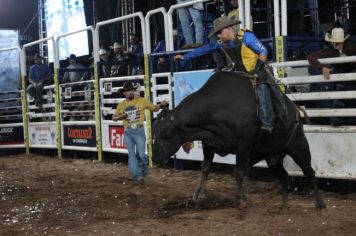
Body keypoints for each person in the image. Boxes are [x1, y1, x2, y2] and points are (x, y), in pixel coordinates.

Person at [174, 16, 287, 133]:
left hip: (257, 71)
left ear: (228, 28)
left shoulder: (247, 37)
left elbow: (263, 51)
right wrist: (185, 56)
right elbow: (206, 49)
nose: (218, 36)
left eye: (219, 32)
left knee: (261, 89)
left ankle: (267, 123)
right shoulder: (222, 43)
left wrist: (258, 69)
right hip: (240, 74)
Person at [113, 81, 168, 182]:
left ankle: (143, 172)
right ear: (124, 93)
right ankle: (137, 176)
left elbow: (154, 109)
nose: (130, 92)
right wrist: (122, 116)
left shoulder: (142, 101)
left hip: (139, 130)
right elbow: (114, 117)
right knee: (132, 154)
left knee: (142, 155)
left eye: (131, 90)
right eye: (127, 91)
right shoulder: (121, 105)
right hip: (128, 131)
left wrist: (161, 105)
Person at [307, 27, 356, 126]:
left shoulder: (352, 48)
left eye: (337, 43)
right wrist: (322, 68)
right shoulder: (330, 50)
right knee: (337, 98)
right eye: (333, 42)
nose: (334, 44)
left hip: (353, 77)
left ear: (343, 41)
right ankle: (335, 121)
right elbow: (311, 57)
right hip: (341, 80)